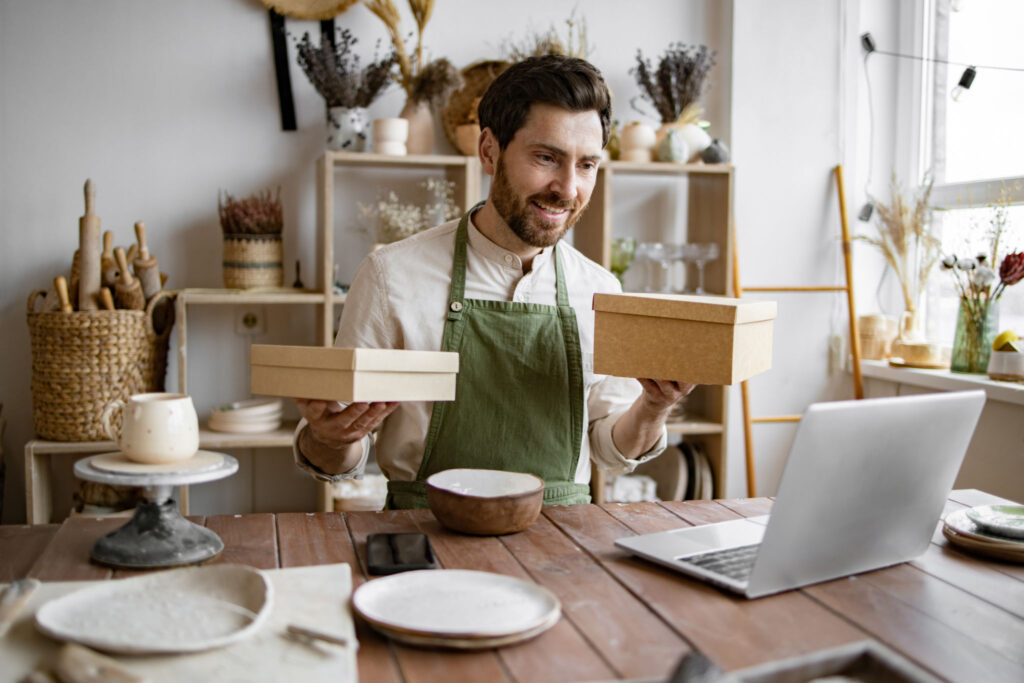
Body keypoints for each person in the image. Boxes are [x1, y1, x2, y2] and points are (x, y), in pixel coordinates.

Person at [293, 54, 695, 508]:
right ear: (489, 151)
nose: (567, 188)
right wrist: (328, 437)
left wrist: (655, 406)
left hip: (560, 547)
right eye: (547, 157)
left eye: (586, 165)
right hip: (425, 536)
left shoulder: (601, 291)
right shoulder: (392, 276)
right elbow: (340, 456)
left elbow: (610, 449)